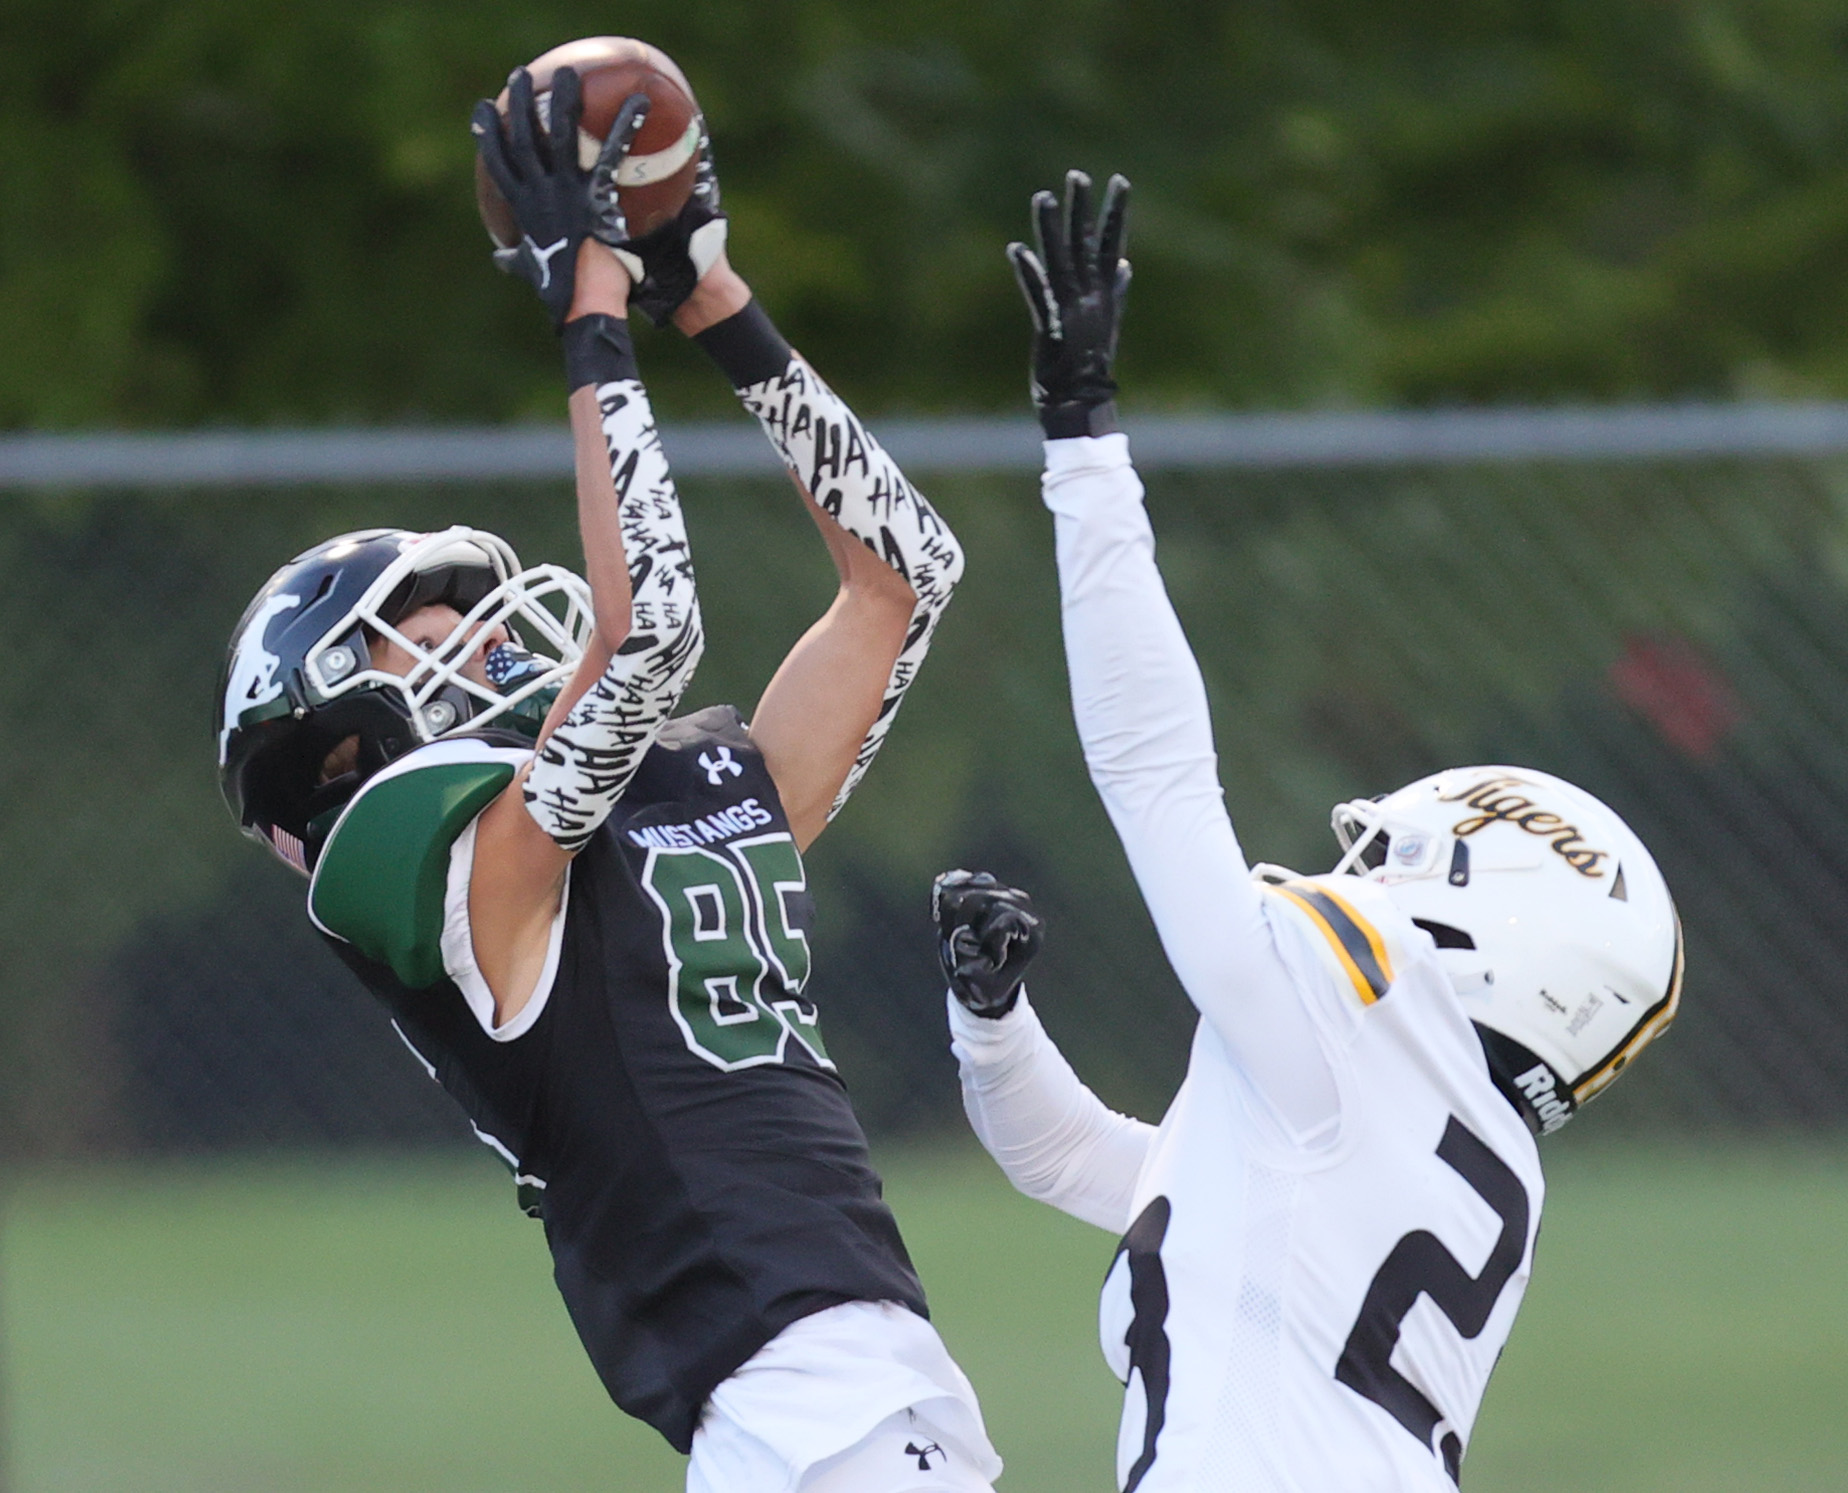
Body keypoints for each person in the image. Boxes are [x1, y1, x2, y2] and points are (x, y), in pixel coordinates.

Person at [216, 68, 998, 1493]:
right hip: (806, 1413)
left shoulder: (697, 779)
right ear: (354, 742)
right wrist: (589, 311)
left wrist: (710, 295)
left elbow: (906, 576)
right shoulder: (470, 894)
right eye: (433, 636)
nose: (492, 635)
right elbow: (652, 631)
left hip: (840, 1404)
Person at [930, 172, 1684, 1493]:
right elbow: (1078, 1158)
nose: (1372, 861)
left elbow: (1154, 772)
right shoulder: (1406, 1114)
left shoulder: (1369, 1021)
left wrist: (1083, 447)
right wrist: (993, 1020)